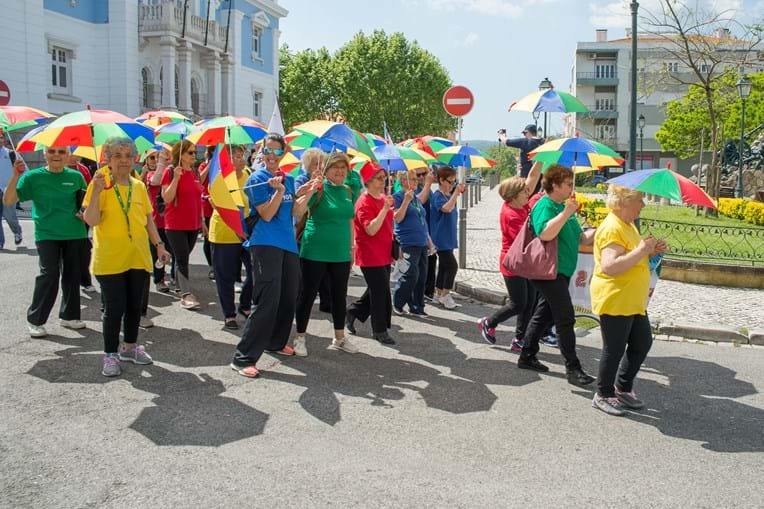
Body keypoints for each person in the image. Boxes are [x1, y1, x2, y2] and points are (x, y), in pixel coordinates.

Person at [82, 137, 170, 377]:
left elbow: (148, 219)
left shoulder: (138, 185)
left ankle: (130, 347)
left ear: (135, 159)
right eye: (117, 156)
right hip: (109, 256)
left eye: (128, 155)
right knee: (115, 306)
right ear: (108, 159)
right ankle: (110, 354)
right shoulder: (100, 182)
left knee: (135, 306)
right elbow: (91, 220)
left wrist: (159, 245)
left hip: (138, 254)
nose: (123, 160)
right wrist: (97, 192)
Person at [231, 133, 316, 378]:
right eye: (267, 151)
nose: (271, 156)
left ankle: (276, 342)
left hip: (288, 244)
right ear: (261, 153)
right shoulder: (257, 179)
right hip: (265, 243)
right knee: (267, 300)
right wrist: (277, 192)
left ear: (283, 153)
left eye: (277, 152)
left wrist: (308, 192)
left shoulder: (287, 179)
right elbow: (266, 215)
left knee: (289, 296)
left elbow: (296, 211)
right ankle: (242, 357)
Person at [516, 164, 597, 387]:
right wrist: (565, 213)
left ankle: (527, 355)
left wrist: (600, 229)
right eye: (568, 184)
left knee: (546, 314)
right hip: (548, 271)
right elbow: (544, 233)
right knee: (565, 317)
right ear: (554, 185)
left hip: (562, 270)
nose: (572, 187)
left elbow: (581, 239)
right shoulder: (546, 205)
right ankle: (573, 368)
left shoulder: (563, 207)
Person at [590, 185, 667, 415]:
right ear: (625, 202)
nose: (643, 205)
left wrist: (650, 252)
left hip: (631, 299)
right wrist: (642, 250)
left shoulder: (628, 225)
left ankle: (622, 387)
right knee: (613, 349)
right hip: (616, 297)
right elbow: (610, 266)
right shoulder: (613, 228)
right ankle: (603, 394)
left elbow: (630, 257)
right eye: (640, 200)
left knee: (642, 342)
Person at [3, 147, 88, 337]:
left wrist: (85, 214)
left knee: (72, 275)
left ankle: (69, 316)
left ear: (68, 155)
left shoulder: (76, 177)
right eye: (51, 151)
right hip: (47, 234)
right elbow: (8, 200)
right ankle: (36, 320)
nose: (56, 155)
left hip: (75, 232)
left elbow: (85, 203)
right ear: (44, 155)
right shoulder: (32, 177)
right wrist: (15, 176)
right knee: (49, 275)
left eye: (61, 152)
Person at [294, 152, 358, 356]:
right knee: (307, 295)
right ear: (326, 169)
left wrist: (352, 247)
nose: (340, 171)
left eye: (343, 167)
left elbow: (349, 220)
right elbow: (298, 210)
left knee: (339, 296)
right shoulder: (319, 188)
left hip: (340, 252)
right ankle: (300, 337)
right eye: (335, 167)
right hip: (315, 250)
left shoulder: (347, 191)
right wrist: (312, 188)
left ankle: (339, 338)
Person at [477, 161, 542, 350]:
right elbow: (524, 240)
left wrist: (541, 157)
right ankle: (489, 322)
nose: (528, 193)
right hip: (512, 264)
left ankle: (519, 339)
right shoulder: (511, 214)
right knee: (518, 303)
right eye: (524, 192)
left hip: (526, 262)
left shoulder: (522, 204)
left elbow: (532, 178)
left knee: (530, 302)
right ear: (514, 196)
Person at [346, 162, 396, 345]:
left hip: (384, 252)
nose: (384, 181)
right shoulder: (363, 202)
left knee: (375, 289)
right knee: (381, 292)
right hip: (369, 253)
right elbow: (371, 230)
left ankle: (352, 312)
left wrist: (402, 203)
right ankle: (379, 330)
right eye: (379, 178)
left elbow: (390, 222)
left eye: (384, 177)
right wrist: (384, 209)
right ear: (368, 181)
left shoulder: (384, 198)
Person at [209, 145, 253, 330]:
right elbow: (216, 203)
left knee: (254, 271)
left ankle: (244, 304)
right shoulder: (220, 180)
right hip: (224, 233)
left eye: (242, 155)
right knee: (225, 276)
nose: (242, 159)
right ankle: (229, 314)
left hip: (247, 232)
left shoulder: (249, 174)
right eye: (236, 156)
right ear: (226, 160)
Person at [161, 139, 204, 310]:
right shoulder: (170, 172)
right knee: (182, 258)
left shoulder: (195, 173)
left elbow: (198, 199)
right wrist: (176, 179)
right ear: (180, 154)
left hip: (193, 224)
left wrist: (202, 222)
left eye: (195, 152)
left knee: (183, 257)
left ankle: (178, 282)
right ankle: (186, 294)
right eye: (190, 153)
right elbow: (167, 198)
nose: (194, 155)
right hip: (175, 224)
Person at [392, 168, 432, 316]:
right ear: (403, 181)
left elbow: (422, 220)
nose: (416, 181)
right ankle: (398, 301)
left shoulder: (414, 198)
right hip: (408, 241)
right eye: (413, 179)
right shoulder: (398, 197)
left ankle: (417, 306)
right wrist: (405, 201)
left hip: (421, 242)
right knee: (411, 274)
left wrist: (429, 240)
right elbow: (397, 218)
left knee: (422, 276)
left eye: (416, 178)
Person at [429, 165, 465, 310]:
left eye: (454, 182)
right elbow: (446, 208)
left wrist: (455, 193)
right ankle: (446, 294)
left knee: (444, 266)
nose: (452, 185)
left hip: (448, 237)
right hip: (440, 238)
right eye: (450, 182)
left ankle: (439, 293)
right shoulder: (437, 196)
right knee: (452, 266)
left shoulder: (447, 195)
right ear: (441, 180)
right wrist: (456, 193)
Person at [66, 153, 96, 293]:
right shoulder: (59, 168)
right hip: (65, 218)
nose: (74, 155)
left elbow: (88, 192)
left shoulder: (83, 169)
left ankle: (85, 280)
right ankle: (69, 282)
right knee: (67, 253)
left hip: (81, 216)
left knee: (84, 249)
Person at [146, 147, 174, 293]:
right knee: (158, 252)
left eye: (161, 156)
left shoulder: (172, 172)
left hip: (173, 219)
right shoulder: (150, 174)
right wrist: (162, 163)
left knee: (175, 251)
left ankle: (176, 277)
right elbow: (156, 181)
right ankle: (159, 279)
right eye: (152, 157)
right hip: (157, 221)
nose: (156, 160)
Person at [499, 125, 545, 191]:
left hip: (527, 175)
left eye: (525, 133)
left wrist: (501, 135)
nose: (524, 135)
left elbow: (507, 142)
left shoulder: (526, 141)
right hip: (541, 175)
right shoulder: (543, 142)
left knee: (525, 194)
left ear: (529, 132)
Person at [0, 132, 23, 249]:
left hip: (8, 189)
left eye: (1, 137)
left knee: (10, 216)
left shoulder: (11, 153)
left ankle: (17, 231)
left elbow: (24, 171)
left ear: (3, 139)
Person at [198, 146, 215, 280]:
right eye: (211, 151)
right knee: (208, 238)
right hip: (207, 205)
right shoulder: (203, 165)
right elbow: (200, 180)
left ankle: (218, 265)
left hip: (220, 204)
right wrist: (210, 164)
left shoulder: (222, 166)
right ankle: (212, 266)